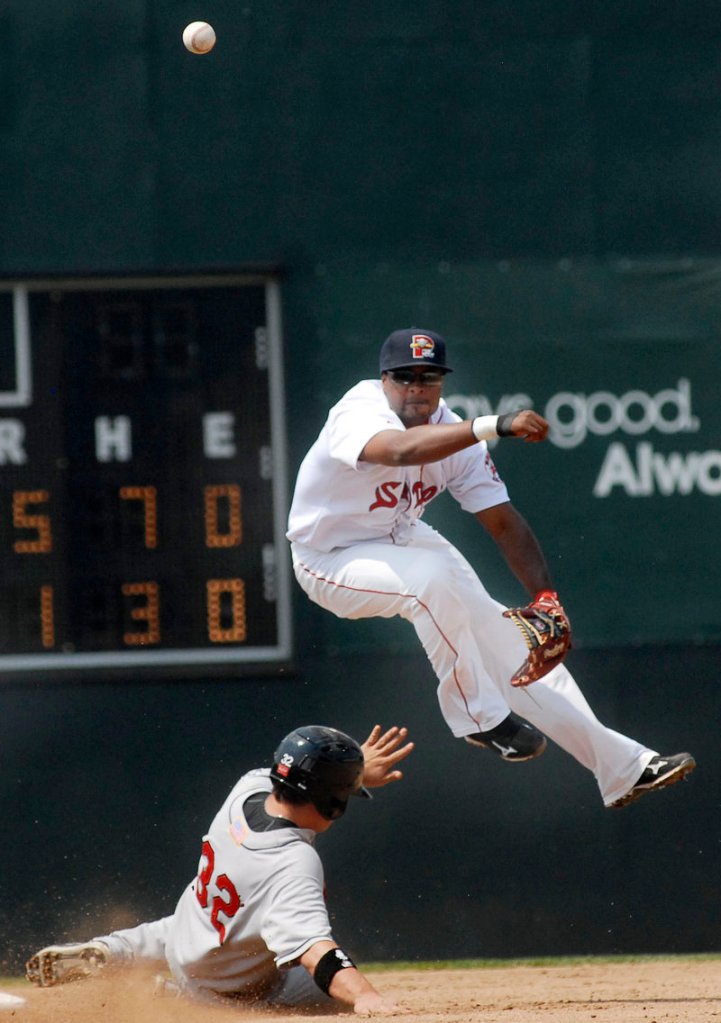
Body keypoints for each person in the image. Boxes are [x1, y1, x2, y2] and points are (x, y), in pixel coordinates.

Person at [286, 328, 696, 810]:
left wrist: (546, 597)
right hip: (328, 556)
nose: (417, 387)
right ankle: (479, 717)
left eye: (429, 377)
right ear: (384, 379)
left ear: (441, 382)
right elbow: (400, 450)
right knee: (429, 585)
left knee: (510, 642)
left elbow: (502, 522)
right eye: (405, 377)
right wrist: (495, 424)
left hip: (400, 537)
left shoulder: (456, 437)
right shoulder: (358, 409)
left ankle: (623, 768)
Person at [26, 724, 414, 1016]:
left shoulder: (248, 788)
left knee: (166, 934)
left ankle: (112, 952)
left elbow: (301, 776)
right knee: (313, 998)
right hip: (224, 983)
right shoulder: (294, 863)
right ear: (332, 804)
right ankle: (170, 996)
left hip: (190, 928)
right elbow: (316, 951)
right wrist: (365, 996)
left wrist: (351, 772)